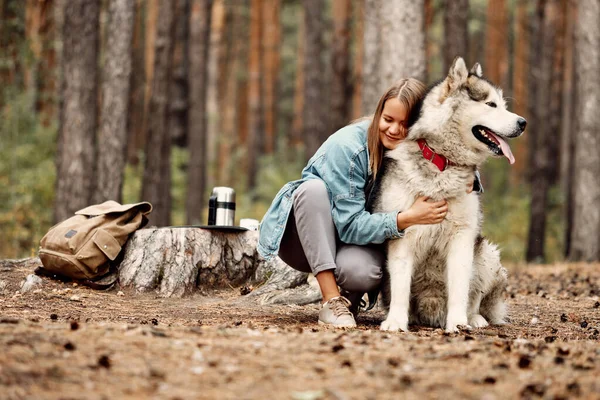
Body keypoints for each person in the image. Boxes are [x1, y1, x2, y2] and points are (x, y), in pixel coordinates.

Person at [257, 78, 480, 328]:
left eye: (404, 124)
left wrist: (472, 177)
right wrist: (406, 218)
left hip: (348, 242)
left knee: (366, 272)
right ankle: (331, 301)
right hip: (303, 239)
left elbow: (450, 149)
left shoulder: (415, 149)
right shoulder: (347, 147)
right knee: (313, 190)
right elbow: (350, 226)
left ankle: (349, 300)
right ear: (378, 115)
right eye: (388, 120)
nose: (394, 130)